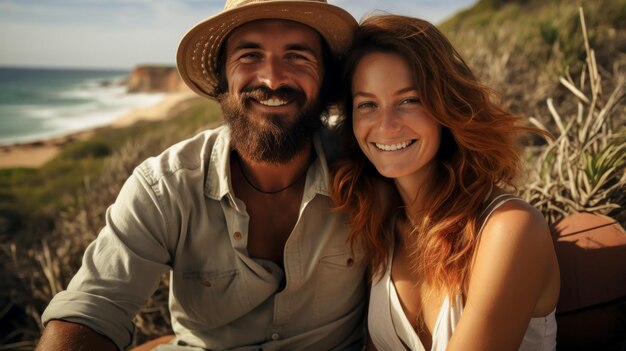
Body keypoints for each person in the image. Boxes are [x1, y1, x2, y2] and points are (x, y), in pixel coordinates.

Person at [37, 1, 368, 350]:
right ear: (222, 78)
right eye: (250, 55)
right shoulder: (164, 185)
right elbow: (94, 308)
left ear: (326, 78)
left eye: (298, 57)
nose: (272, 79)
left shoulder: (367, 165)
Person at [330, 15, 560, 351]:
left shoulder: (507, 229)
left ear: (445, 105)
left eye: (409, 100)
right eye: (367, 104)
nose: (386, 125)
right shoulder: (380, 229)